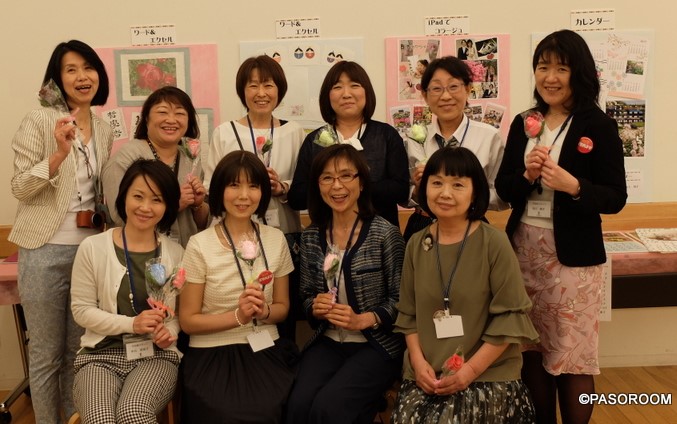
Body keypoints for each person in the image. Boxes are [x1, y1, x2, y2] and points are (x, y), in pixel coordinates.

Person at [495, 29, 627, 424]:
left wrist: (574, 186)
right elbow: (505, 189)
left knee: (572, 356)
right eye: (543, 67)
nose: (550, 77)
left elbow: (615, 197)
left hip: (573, 258)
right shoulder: (525, 121)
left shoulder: (598, 125)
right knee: (532, 350)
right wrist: (526, 174)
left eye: (561, 68)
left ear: (579, 73)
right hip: (523, 252)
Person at [392, 147, 539, 423]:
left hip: (487, 373)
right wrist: (418, 364)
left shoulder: (494, 243)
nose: (445, 193)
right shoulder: (416, 243)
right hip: (427, 373)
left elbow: (510, 318)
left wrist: (469, 372)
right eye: (436, 183)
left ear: (475, 192)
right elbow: (408, 315)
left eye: (458, 185)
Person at [9, 39, 113, 423]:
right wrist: (57, 155)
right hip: (45, 248)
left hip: (89, 250)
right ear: (57, 78)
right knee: (45, 354)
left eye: (88, 67)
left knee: (78, 350)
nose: (82, 77)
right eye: (71, 69)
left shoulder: (103, 128)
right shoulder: (39, 120)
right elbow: (20, 187)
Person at [286, 144, 405, 424]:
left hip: (375, 345)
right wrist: (315, 306)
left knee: (330, 409)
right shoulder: (312, 236)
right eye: (327, 178)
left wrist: (365, 319)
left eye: (346, 176)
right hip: (328, 341)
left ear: (361, 183)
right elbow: (305, 294)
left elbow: (402, 301)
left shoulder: (384, 233)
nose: (337, 186)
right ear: (318, 185)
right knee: (297, 405)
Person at [179, 151, 298, 423]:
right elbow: (187, 321)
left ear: (263, 192)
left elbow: (283, 307)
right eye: (234, 185)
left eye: (253, 186)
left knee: (283, 404)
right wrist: (238, 317)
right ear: (219, 190)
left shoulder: (275, 239)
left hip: (266, 347)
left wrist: (264, 311)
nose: (244, 195)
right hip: (211, 354)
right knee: (227, 413)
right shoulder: (199, 244)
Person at [70, 159, 184, 423]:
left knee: (133, 413)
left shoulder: (175, 253)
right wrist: (132, 324)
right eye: (138, 196)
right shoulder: (92, 248)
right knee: (100, 418)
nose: (145, 207)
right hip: (99, 356)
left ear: (167, 206)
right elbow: (81, 311)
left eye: (156, 200)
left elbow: (175, 316)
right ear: (123, 197)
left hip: (156, 356)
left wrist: (170, 333)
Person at [205, 55, 305, 340]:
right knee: (241, 304)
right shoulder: (224, 132)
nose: (261, 93)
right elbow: (212, 187)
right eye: (253, 86)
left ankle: (280, 359)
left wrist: (281, 186)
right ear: (242, 91)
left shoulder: (295, 132)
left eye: (268, 85)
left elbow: (304, 185)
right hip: (236, 236)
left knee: (281, 311)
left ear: (279, 90)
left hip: (284, 235)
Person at [288, 60, 409, 228]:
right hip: (327, 234)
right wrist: (333, 188)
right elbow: (297, 197)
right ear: (327, 96)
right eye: (337, 87)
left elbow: (400, 190)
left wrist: (353, 187)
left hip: (380, 234)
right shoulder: (315, 140)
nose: (346, 94)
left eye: (354, 85)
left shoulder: (386, 135)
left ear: (367, 92)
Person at [403, 56, 508, 242]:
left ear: (467, 89)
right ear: (425, 95)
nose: (445, 96)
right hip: (422, 224)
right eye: (436, 88)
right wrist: (418, 190)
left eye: (453, 86)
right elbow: (402, 193)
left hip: (471, 225)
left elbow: (502, 195)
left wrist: (468, 196)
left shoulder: (489, 137)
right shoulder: (413, 138)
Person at [103, 86, 209, 248]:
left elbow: (202, 223)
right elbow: (119, 216)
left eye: (180, 113)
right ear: (146, 118)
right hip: (138, 251)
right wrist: (172, 205)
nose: (171, 120)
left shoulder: (191, 159)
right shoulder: (126, 158)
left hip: (183, 253)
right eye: (162, 112)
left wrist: (198, 205)